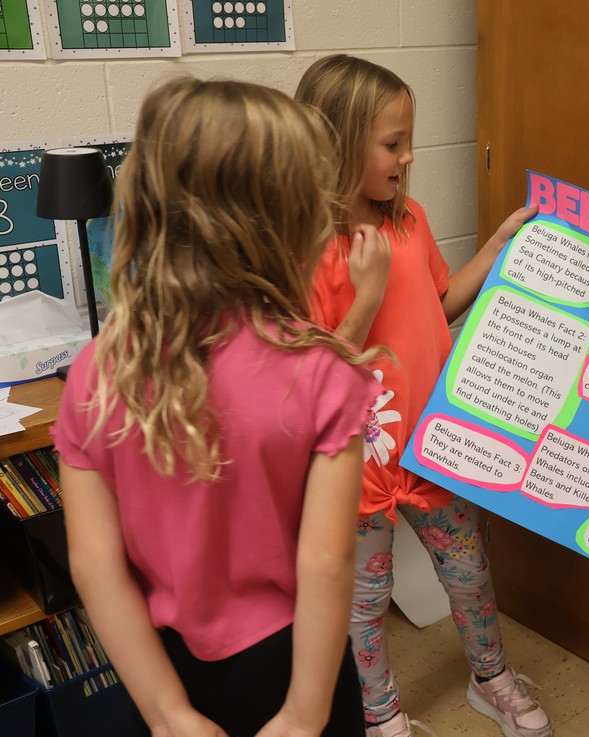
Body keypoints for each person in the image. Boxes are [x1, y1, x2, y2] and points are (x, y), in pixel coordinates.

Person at [53, 77, 382, 737]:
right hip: (291, 662)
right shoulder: (326, 374)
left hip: (163, 662)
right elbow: (326, 564)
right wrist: (304, 716)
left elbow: (93, 563)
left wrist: (166, 713)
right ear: (291, 219)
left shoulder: (96, 370)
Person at [295, 55, 551, 737]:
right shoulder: (306, 249)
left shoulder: (409, 219)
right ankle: (382, 716)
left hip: (435, 443)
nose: (408, 156)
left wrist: (497, 246)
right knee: (366, 598)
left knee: (469, 571)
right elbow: (313, 374)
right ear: (339, 143)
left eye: (408, 139)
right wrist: (367, 289)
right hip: (357, 460)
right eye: (393, 143)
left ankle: (490, 676)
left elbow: (438, 305)